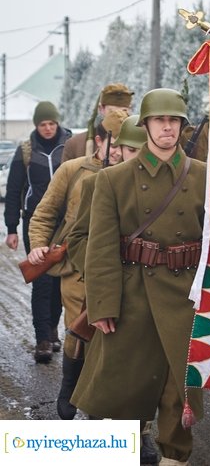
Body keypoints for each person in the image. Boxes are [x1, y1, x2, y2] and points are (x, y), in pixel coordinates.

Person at [71, 88, 206, 466]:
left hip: (185, 299)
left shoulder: (204, 177)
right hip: (133, 297)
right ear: (146, 124)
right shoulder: (114, 180)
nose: (167, 127)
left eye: (174, 120)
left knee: (179, 391)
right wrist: (102, 305)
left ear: (182, 125)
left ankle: (174, 457)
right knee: (123, 389)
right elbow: (98, 248)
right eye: (160, 120)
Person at [67, 114, 159, 465]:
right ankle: (102, 432)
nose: (135, 154)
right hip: (112, 290)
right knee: (108, 367)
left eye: (140, 148)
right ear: (118, 149)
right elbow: (78, 239)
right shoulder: (101, 183)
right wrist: (100, 273)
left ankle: (143, 432)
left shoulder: (168, 183)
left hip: (154, 291)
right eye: (129, 148)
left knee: (149, 368)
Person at [27, 111, 125, 418]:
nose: (121, 152)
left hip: (123, 270)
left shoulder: (135, 174)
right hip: (76, 268)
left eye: (128, 145)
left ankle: (115, 412)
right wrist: (39, 245)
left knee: (119, 342)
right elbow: (44, 213)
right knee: (80, 332)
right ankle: (71, 385)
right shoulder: (72, 170)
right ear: (99, 141)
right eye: (116, 144)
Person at [3, 100, 71, 363]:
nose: (47, 128)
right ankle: (42, 338)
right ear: (36, 125)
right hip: (35, 221)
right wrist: (11, 228)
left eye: (51, 123)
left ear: (58, 123)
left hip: (65, 222)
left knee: (58, 280)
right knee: (42, 279)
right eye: (43, 124)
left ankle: (53, 329)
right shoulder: (25, 151)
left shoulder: (70, 146)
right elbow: (13, 191)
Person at [61, 82, 133, 162]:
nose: (118, 116)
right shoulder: (75, 145)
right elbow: (65, 173)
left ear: (130, 110)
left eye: (123, 111)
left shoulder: (141, 142)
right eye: (112, 112)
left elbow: (149, 162)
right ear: (101, 109)